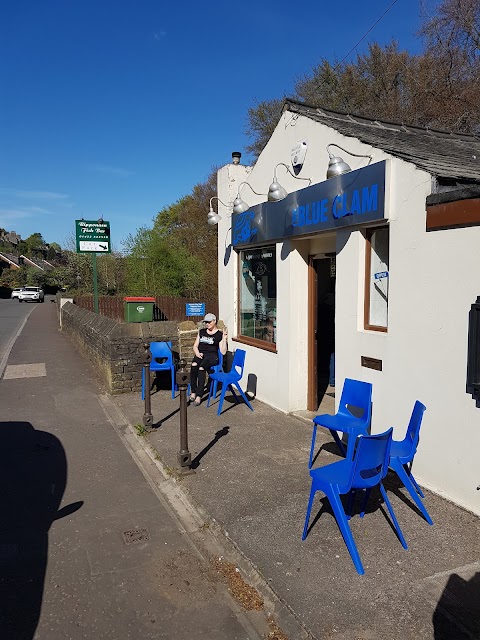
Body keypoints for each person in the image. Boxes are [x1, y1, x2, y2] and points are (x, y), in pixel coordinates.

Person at [189, 313, 228, 406]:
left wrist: (224, 339)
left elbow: (223, 352)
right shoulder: (201, 332)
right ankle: (193, 391)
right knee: (194, 365)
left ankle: (199, 395)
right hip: (201, 354)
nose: (207, 324)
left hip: (212, 356)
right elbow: (195, 346)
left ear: (214, 321)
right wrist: (197, 353)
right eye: (205, 322)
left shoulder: (219, 334)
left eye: (209, 322)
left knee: (201, 368)